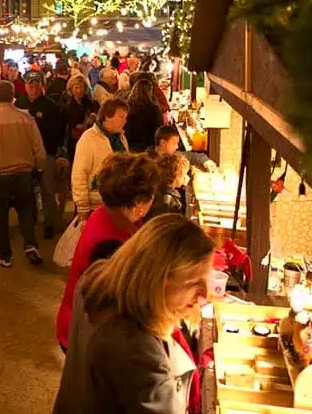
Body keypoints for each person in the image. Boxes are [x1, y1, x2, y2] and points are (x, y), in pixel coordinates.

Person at [54, 214, 215, 414]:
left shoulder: (96, 280)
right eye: (193, 283)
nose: (204, 294)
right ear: (157, 280)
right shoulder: (140, 352)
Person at [57, 153, 159, 351]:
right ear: (138, 201)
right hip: (86, 334)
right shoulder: (108, 244)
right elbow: (118, 304)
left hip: (81, 321)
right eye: (151, 195)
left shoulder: (110, 213)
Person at [0, 81, 46, 267]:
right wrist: (39, 167)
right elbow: (38, 147)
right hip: (24, 173)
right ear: (13, 95)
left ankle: (4, 254)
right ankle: (30, 244)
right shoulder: (26, 118)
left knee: (0, 216)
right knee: (26, 211)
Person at [16, 70, 66, 239]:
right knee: (26, 190)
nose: (33, 87)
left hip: (46, 154)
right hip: (24, 154)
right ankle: (30, 219)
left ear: (41, 86)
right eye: (30, 84)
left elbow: (58, 131)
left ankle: (48, 223)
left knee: (47, 190)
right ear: (25, 86)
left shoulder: (50, 106)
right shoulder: (18, 104)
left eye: (37, 84)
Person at [71, 98, 129, 221]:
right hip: (96, 205)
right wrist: (82, 206)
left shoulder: (121, 138)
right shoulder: (89, 139)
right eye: (121, 117)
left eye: (125, 117)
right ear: (107, 117)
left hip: (119, 203)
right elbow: (79, 173)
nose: (125, 121)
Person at [62, 74, 99, 163]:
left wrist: (94, 118)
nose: (79, 91)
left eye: (81, 87)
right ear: (71, 89)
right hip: (74, 142)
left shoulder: (92, 103)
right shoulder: (67, 106)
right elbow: (64, 125)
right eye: (76, 87)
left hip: (90, 139)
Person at [149, 125, 218, 171]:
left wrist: (206, 161)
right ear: (163, 142)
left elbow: (193, 156)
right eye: (174, 143)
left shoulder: (174, 155)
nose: (177, 147)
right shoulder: (150, 164)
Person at [125, 79, 165, 152]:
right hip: (149, 147)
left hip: (131, 146)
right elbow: (159, 128)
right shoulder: (154, 108)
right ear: (150, 91)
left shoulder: (128, 106)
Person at [147, 153, 190, 219]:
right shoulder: (166, 201)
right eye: (184, 174)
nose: (186, 177)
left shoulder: (161, 189)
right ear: (175, 176)